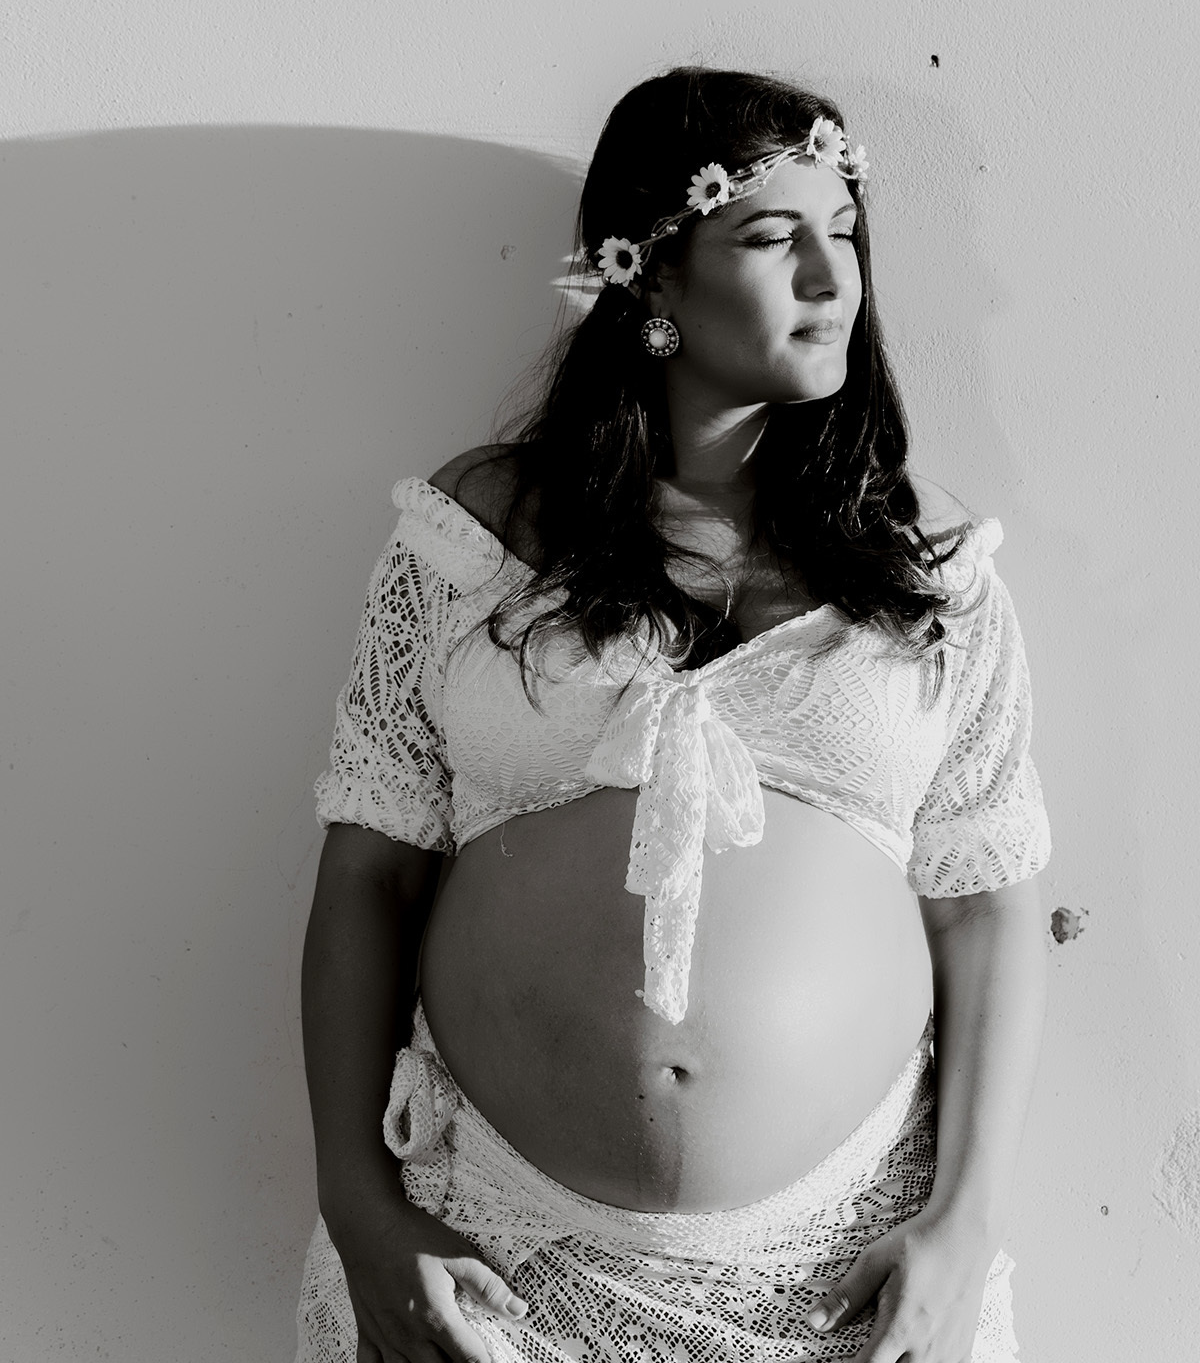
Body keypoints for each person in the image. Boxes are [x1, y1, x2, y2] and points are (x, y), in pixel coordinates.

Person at [295, 68, 1052, 1363]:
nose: (831, 277)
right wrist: (358, 1209)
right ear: (647, 277)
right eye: (772, 237)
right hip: (496, 1269)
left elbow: (986, 903)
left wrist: (965, 1227)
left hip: (842, 1291)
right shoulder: (471, 543)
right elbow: (367, 875)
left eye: (845, 232)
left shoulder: (928, 570)